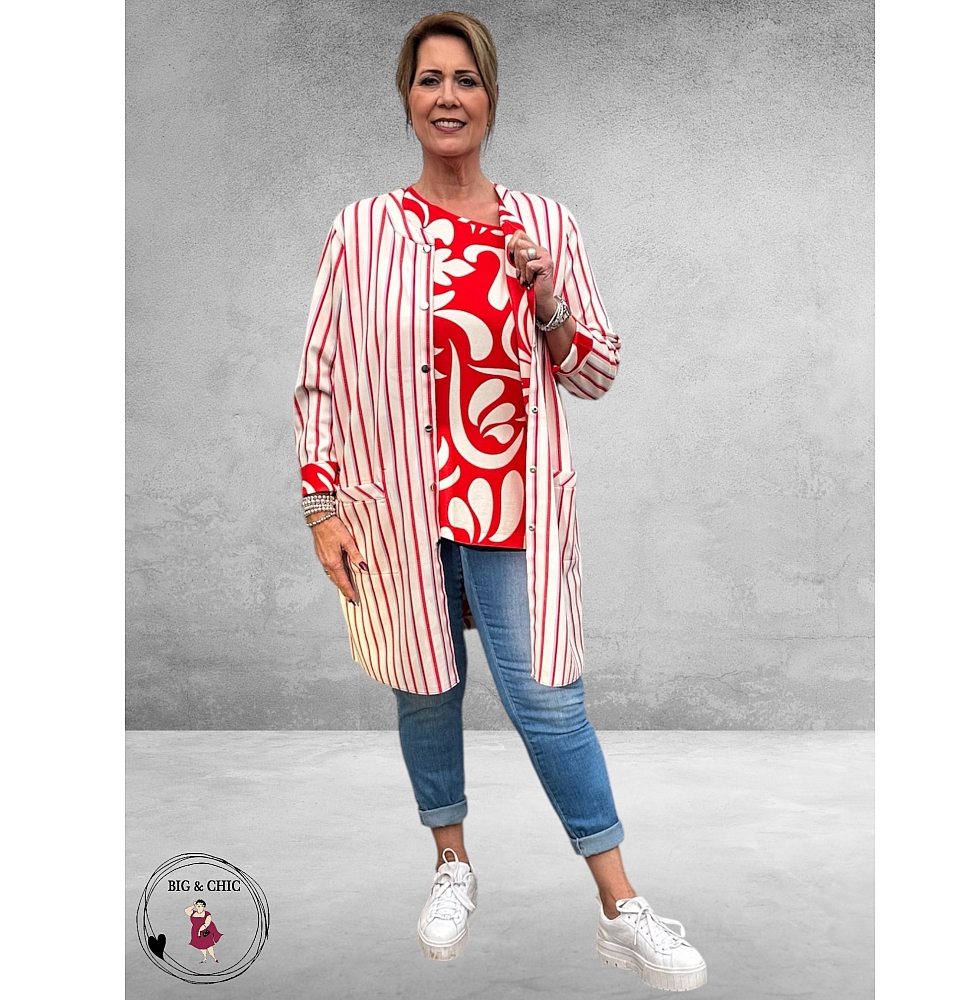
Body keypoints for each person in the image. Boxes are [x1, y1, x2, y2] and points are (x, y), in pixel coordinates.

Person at [292, 10, 706, 992]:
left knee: (549, 704)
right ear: (407, 99)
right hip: (396, 505)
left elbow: (596, 374)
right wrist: (321, 506)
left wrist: (547, 297)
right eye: (429, 79)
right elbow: (320, 373)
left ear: (490, 98)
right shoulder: (361, 231)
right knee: (424, 687)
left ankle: (621, 907)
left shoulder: (545, 225)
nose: (447, 96)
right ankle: (451, 865)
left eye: (466, 79)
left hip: (510, 504)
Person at [184, 899, 222, 963]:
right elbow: (186, 910)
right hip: (195, 931)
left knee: (209, 945)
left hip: (206, 931)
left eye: (201, 904)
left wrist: (200, 930)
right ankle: (205, 958)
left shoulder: (207, 914)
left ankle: (214, 958)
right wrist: (193, 905)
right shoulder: (193, 913)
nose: (199, 906)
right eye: (197, 904)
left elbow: (207, 923)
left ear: (203, 906)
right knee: (201, 946)